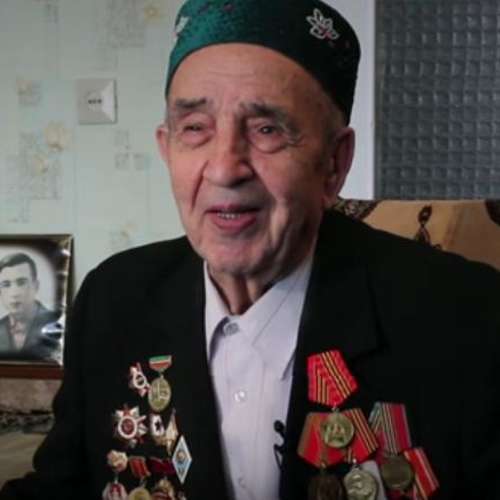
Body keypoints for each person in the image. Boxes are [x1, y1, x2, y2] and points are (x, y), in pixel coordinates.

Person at [1, 0, 500, 499]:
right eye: (195, 128)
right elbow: (62, 488)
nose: (224, 168)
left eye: (267, 129)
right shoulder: (113, 298)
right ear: (167, 148)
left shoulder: (467, 316)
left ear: (334, 163)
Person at [0, 252, 60, 361]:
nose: (14, 293)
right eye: (6, 285)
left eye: (21, 282)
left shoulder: (56, 324)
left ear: (35, 286)